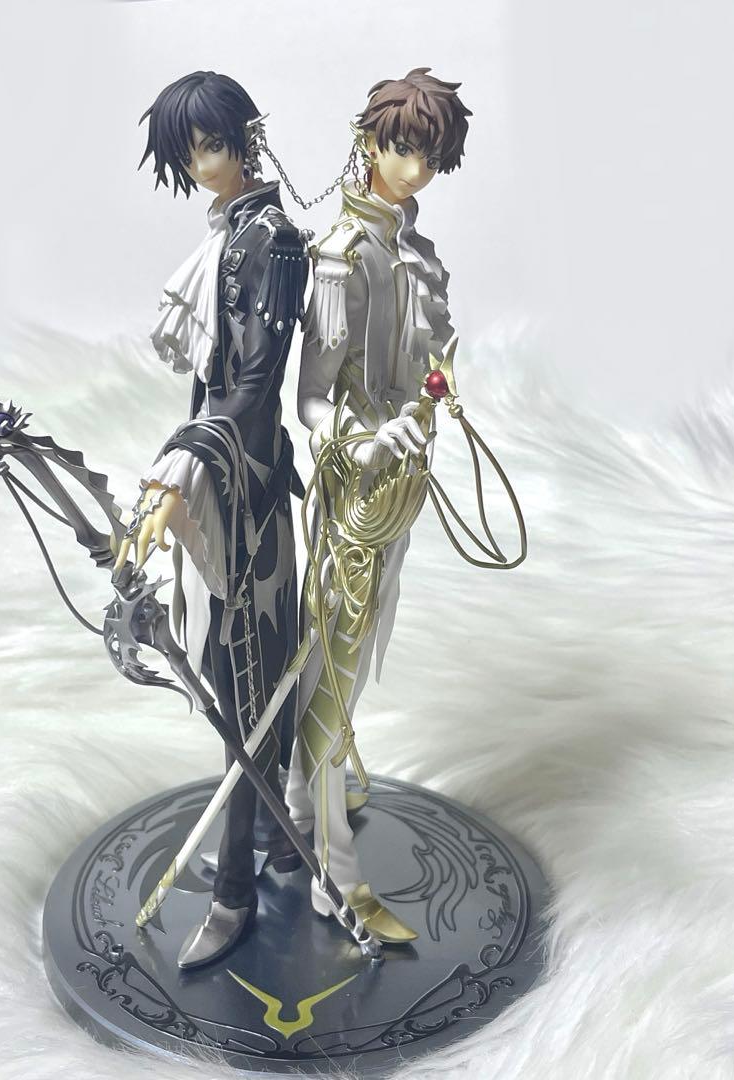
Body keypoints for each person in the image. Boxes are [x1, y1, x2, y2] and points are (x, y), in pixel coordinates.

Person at [115, 70, 307, 970]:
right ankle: (273, 839)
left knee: (248, 694)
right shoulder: (226, 235)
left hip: (249, 484)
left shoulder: (275, 242)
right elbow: (210, 379)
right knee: (228, 682)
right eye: (187, 152)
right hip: (215, 473)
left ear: (244, 137)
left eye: (211, 145)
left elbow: (257, 385)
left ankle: (238, 890)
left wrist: (182, 464)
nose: (200, 164)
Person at [285, 67, 471, 943]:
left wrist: (436, 387)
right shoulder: (340, 257)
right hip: (351, 495)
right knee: (334, 664)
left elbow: (427, 360)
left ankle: (304, 796)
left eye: (430, 156)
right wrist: (359, 442)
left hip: (404, 489)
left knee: (356, 660)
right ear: (371, 142)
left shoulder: (415, 253)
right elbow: (310, 399)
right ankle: (333, 871)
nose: (417, 168)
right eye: (405, 148)